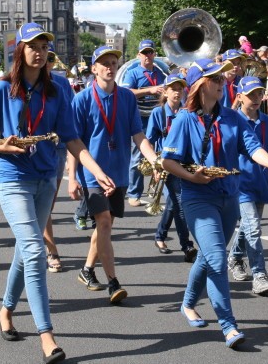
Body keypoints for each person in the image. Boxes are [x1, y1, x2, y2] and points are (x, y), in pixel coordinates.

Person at [0, 23, 113, 364]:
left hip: (47, 179)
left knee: (25, 249)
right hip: (13, 179)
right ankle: (47, 335)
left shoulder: (58, 89)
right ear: (20, 50)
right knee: (35, 251)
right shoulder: (2, 89)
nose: (40, 50)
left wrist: (95, 170)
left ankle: (6, 310)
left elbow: (72, 138)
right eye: (32, 45)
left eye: (44, 45)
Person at [160, 58, 268, 349]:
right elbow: (167, 161)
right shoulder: (183, 119)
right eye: (214, 79)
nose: (221, 83)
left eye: (221, 79)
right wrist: (192, 176)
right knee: (217, 258)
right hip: (197, 197)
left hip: (229, 196)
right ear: (200, 85)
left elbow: (253, 147)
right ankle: (229, 326)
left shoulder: (232, 117)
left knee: (208, 257)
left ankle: (188, 303)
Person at [69, 45, 159, 303]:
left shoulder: (127, 98)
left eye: (113, 62)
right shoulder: (82, 99)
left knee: (104, 227)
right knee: (104, 222)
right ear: (94, 68)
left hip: (119, 173)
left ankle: (87, 270)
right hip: (92, 174)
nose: (109, 66)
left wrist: (154, 160)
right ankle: (113, 282)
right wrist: (73, 178)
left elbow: (138, 135)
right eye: (104, 63)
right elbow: (73, 142)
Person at [227, 76, 268, 295]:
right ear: (239, 97)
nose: (257, 98)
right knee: (253, 228)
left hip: (261, 182)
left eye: (259, 93)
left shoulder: (267, 122)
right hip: (240, 184)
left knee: (249, 227)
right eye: (251, 95)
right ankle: (259, 275)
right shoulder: (232, 121)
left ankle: (235, 256)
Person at [146, 73, 197, 261]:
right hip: (165, 164)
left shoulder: (186, 112)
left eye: (180, 89)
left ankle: (160, 235)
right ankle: (187, 245)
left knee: (173, 203)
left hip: (183, 163)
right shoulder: (158, 113)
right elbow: (148, 141)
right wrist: (155, 167)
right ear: (165, 92)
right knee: (179, 202)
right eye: (173, 89)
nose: (177, 92)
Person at [120, 39, 165, 208]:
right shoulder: (132, 73)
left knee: (160, 153)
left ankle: (157, 192)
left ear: (154, 54)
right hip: (140, 117)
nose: (148, 56)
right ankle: (134, 193)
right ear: (139, 55)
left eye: (150, 52)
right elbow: (126, 92)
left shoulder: (161, 72)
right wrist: (149, 90)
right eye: (144, 53)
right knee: (138, 156)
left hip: (158, 115)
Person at [42, 42, 74, 273]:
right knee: (41, 204)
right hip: (35, 148)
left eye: (51, 56)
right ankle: (50, 249)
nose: (47, 60)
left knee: (48, 203)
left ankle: (43, 244)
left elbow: (70, 119)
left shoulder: (62, 83)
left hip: (59, 147)